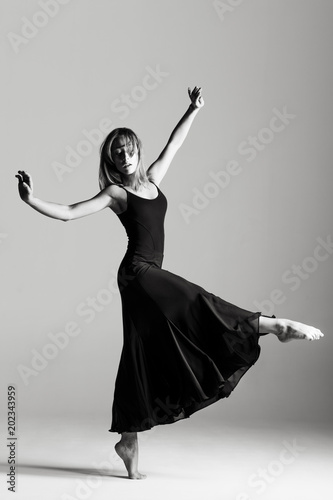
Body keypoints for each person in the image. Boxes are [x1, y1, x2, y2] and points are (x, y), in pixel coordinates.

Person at [16, 86, 324, 480]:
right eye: (116, 152)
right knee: (198, 301)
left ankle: (128, 440)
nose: (123, 155)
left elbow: (174, 143)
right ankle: (274, 325)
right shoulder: (116, 192)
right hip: (139, 274)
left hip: (147, 273)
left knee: (140, 351)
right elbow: (70, 212)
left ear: (137, 151)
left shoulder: (153, 179)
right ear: (111, 161)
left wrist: (191, 109)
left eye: (128, 148)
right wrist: (31, 200)